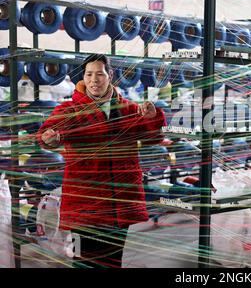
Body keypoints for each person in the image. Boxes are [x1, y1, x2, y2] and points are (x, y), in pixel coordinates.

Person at [37, 54, 166, 268]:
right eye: (89, 74)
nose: (94, 80)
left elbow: (154, 138)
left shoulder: (129, 110)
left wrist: (152, 117)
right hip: (86, 204)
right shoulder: (70, 111)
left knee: (113, 260)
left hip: (119, 203)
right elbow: (46, 136)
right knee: (83, 261)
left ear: (110, 76)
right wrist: (50, 138)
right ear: (83, 78)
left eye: (99, 74)